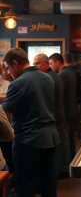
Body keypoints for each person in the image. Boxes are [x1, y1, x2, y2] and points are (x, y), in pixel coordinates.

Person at [2, 48, 60, 197]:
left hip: (28, 140)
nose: (7, 73)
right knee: (48, 184)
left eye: (7, 68)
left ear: (15, 63)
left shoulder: (18, 83)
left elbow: (5, 113)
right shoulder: (48, 78)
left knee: (25, 186)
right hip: (51, 138)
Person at [33, 53, 70, 177]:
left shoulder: (49, 77)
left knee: (58, 145)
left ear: (46, 63)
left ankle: (61, 170)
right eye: (34, 63)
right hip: (58, 114)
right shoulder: (52, 76)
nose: (35, 66)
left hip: (55, 116)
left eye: (37, 63)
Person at [49, 53, 77, 162]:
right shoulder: (71, 73)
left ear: (58, 62)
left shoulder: (62, 75)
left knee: (65, 140)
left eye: (51, 63)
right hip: (72, 109)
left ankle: (66, 165)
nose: (50, 66)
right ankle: (72, 160)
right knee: (70, 138)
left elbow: (60, 96)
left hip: (65, 111)